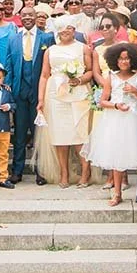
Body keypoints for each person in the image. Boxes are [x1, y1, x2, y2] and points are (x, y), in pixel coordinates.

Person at [36, 18, 95, 187]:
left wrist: (80, 79)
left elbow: (90, 70)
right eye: (61, 29)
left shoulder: (83, 48)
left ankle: (85, 171)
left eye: (68, 28)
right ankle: (64, 173)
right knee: (60, 133)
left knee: (80, 132)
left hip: (78, 93)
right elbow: (44, 75)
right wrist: (41, 99)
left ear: (73, 29)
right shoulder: (50, 51)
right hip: (55, 94)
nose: (65, 32)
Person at [86, 43, 137, 207]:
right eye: (121, 58)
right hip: (115, 119)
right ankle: (117, 193)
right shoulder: (111, 76)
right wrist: (116, 105)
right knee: (117, 155)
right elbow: (103, 101)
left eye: (127, 58)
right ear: (115, 60)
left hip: (135, 118)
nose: (124, 61)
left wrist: (135, 91)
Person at [6, 6, 53, 183]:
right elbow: (9, 63)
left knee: (39, 133)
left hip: (39, 91)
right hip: (19, 91)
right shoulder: (14, 38)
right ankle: (17, 170)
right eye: (24, 15)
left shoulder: (47, 38)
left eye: (30, 15)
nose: (27, 17)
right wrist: (9, 86)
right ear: (20, 17)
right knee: (19, 134)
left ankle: (41, 170)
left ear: (36, 17)